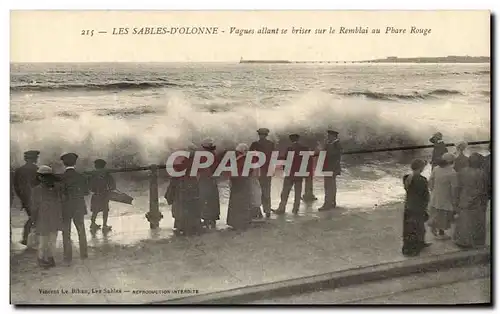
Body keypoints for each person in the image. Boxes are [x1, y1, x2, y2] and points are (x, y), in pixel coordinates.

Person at [165, 145, 203, 236]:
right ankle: (193, 225)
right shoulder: (198, 162)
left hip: (183, 187)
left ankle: (182, 226)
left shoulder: (185, 162)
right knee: (192, 206)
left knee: (182, 207)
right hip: (193, 186)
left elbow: (177, 173)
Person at [453, 153, 489, 248]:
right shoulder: (481, 173)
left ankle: (461, 240)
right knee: (476, 222)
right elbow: (483, 190)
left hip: (464, 198)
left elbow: (457, 187)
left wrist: (456, 201)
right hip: (477, 201)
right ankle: (476, 242)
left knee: (464, 221)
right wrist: (484, 203)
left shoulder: (462, 171)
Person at [31, 165, 63, 268]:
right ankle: (45, 258)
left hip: (45, 218)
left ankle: (46, 258)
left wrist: (33, 220)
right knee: (48, 241)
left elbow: (34, 207)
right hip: (47, 218)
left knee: (46, 241)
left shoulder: (40, 189)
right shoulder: (41, 189)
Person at [60, 152, 89, 263]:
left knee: (66, 232)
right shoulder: (81, 176)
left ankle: (67, 256)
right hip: (78, 206)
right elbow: (86, 192)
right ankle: (84, 253)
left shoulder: (62, 178)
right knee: (81, 230)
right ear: (75, 162)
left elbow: (60, 193)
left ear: (64, 163)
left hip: (66, 207)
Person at [402, 159, 431, 257]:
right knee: (419, 227)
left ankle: (411, 246)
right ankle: (418, 245)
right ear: (421, 168)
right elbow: (425, 195)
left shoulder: (406, 178)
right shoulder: (422, 180)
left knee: (410, 228)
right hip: (418, 207)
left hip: (409, 205)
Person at [274, 134, 309, 215]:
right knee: (298, 192)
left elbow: (285, 161)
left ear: (291, 140)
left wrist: (285, 170)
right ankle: (295, 209)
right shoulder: (304, 148)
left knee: (285, 192)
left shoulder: (289, 149)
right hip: (299, 174)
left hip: (290, 174)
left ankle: (281, 208)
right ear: (298, 139)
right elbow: (306, 162)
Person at [428, 153, 458, 240]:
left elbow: (430, 180)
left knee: (435, 212)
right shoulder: (452, 172)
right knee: (443, 215)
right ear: (451, 161)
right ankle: (441, 233)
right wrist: (454, 199)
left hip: (435, 194)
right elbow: (454, 187)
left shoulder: (436, 169)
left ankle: (433, 227)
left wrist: (432, 189)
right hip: (445, 196)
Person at [13, 150, 40, 246]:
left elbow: (15, 186)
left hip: (25, 199)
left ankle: (27, 238)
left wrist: (22, 197)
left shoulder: (19, 170)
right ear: (34, 159)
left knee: (33, 217)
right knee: (35, 218)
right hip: (36, 199)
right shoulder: (38, 169)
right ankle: (28, 238)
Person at [249, 128, 275, 218]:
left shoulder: (255, 144)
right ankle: (267, 210)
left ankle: (258, 211)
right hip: (267, 170)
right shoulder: (271, 144)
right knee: (266, 190)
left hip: (258, 170)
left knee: (257, 191)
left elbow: (250, 157)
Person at [227, 144, 252, 230]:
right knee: (243, 202)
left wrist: (230, 180)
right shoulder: (247, 159)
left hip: (238, 182)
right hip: (243, 182)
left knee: (236, 203)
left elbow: (233, 172)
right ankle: (243, 222)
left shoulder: (240, 160)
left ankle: (237, 223)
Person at [317, 130, 342, 211]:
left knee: (328, 186)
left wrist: (323, 148)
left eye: (329, 136)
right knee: (331, 186)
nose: (328, 137)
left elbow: (331, 155)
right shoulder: (333, 144)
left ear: (333, 136)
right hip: (331, 168)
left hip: (331, 168)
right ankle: (332, 202)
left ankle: (327, 204)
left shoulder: (336, 144)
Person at [198, 138, 221, 229]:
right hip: (213, 179)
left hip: (205, 179)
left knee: (204, 199)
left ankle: (206, 219)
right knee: (213, 199)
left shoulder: (204, 156)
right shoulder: (214, 154)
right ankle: (213, 219)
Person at [89, 159, 116, 232]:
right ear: (104, 166)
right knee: (105, 210)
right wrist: (110, 190)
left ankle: (93, 224)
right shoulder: (107, 174)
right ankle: (104, 225)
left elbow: (90, 186)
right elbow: (113, 185)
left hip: (96, 194)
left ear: (96, 166)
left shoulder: (92, 175)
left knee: (95, 210)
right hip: (104, 194)